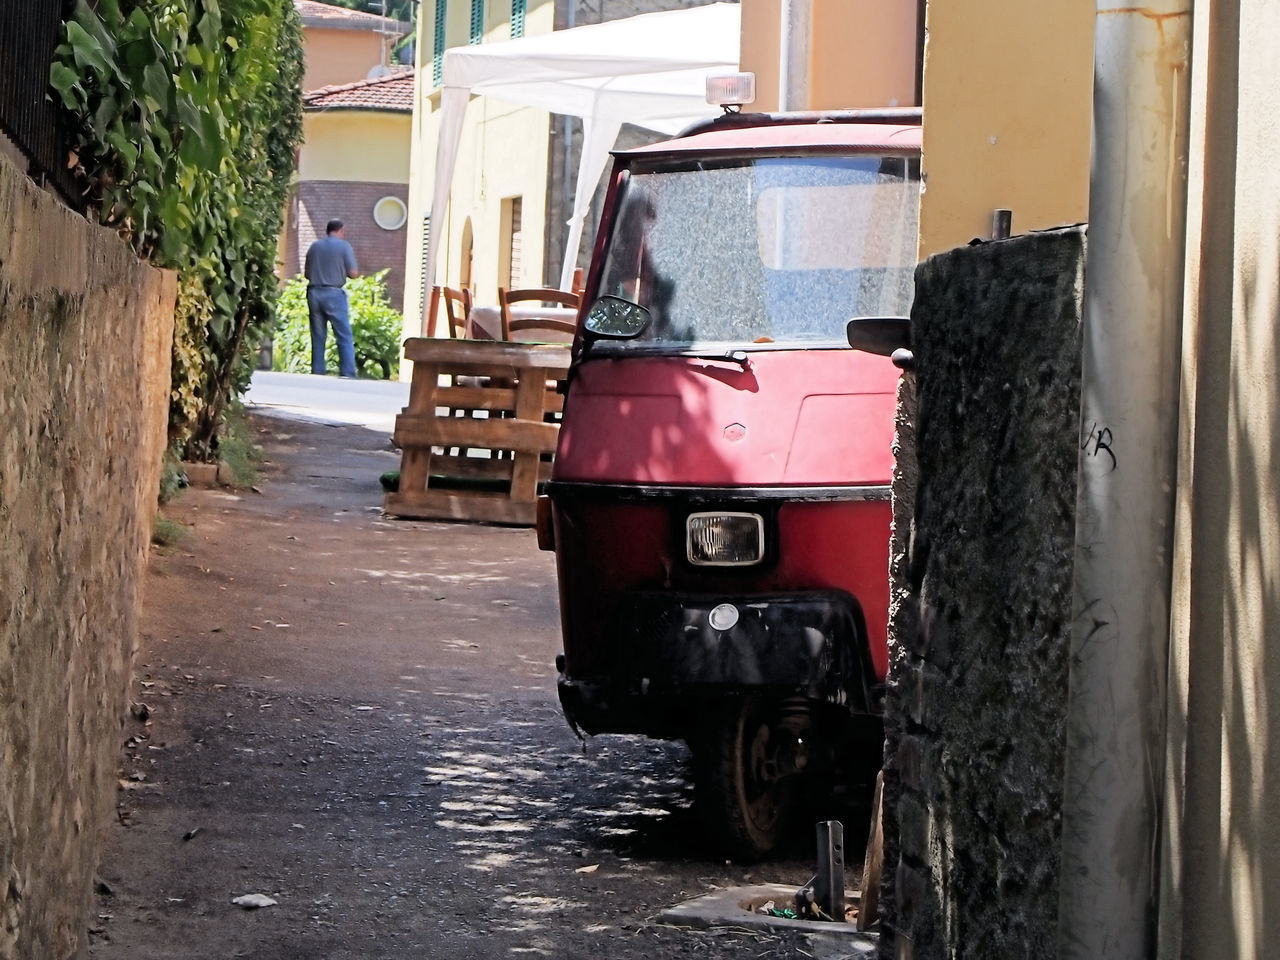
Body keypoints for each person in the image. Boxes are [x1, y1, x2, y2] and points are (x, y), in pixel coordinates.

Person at [304, 219, 359, 377]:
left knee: (318, 335)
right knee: (343, 335)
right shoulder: (344, 246)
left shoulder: (314, 246)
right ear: (341, 230)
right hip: (334, 294)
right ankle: (347, 372)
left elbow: (307, 274)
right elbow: (353, 273)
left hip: (314, 293)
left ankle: (318, 370)